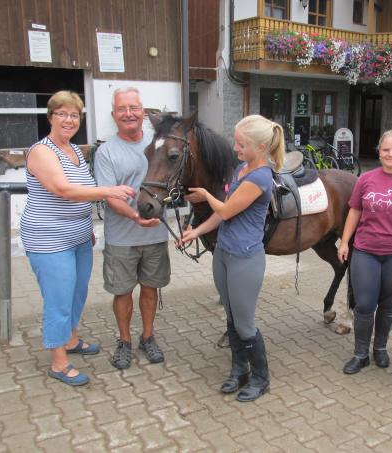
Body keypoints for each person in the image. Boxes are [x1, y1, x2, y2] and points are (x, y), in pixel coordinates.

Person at [21, 90, 135, 386]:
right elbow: (63, 190)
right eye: (62, 114)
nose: (69, 120)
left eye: (74, 115)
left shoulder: (74, 151)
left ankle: (70, 340)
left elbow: (80, 193)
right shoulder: (41, 151)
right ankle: (59, 362)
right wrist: (109, 191)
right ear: (50, 117)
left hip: (79, 238)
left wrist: (87, 231)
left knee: (76, 293)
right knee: (58, 300)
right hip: (49, 240)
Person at [179, 114, 285, 402]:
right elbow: (222, 212)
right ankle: (240, 371)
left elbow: (225, 210)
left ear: (260, 147)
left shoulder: (260, 177)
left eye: (241, 144)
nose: (235, 148)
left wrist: (204, 194)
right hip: (224, 254)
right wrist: (196, 231)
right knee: (230, 317)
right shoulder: (241, 169)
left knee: (245, 324)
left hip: (244, 259)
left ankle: (261, 379)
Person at [337, 130, 392, 374]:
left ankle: (380, 349)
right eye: (386, 149)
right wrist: (345, 242)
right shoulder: (365, 179)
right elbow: (354, 212)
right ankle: (360, 353)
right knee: (364, 304)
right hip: (365, 250)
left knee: (387, 304)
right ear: (379, 151)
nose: (391, 154)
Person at [94, 87, 170, 370]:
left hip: (156, 234)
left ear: (143, 112)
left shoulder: (158, 143)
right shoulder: (106, 152)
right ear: (114, 115)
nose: (129, 114)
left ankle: (147, 337)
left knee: (150, 290)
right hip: (122, 237)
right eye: (122, 109)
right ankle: (124, 341)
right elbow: (111, 197)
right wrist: (136, 217)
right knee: (123, 292)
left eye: (133, 108)